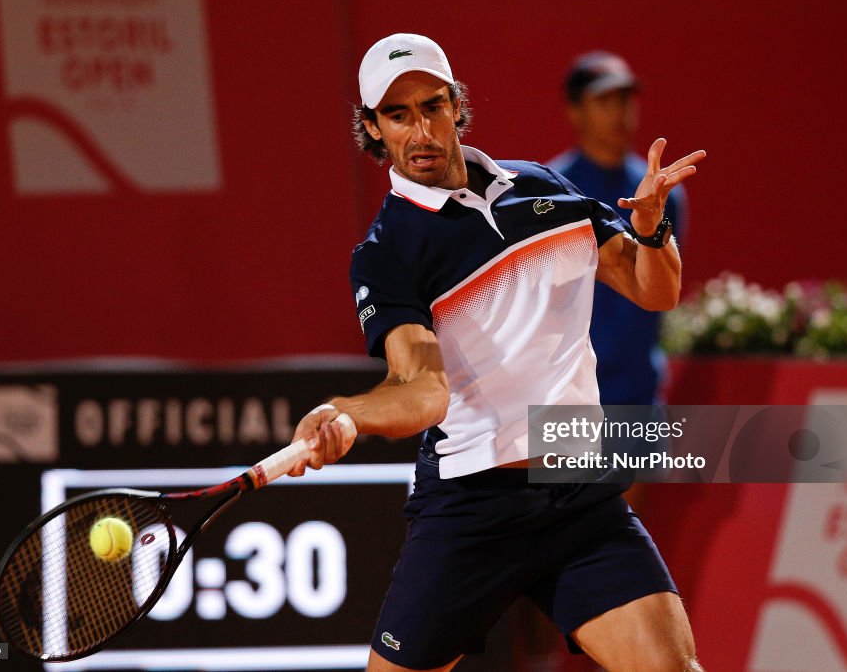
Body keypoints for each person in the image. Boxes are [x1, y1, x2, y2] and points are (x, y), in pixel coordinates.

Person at [287, 33, 706, 672]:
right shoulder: (387, 251)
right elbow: (424, 388)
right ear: (373, 128)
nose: (420, 130)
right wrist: (349, 412)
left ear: (456, 106)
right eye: (397, 116)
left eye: (431, 106)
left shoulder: (542, 188)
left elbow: (657, 290)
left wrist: (651, 230)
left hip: (578, 492)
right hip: (472, 508)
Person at [549, 51, 689, 406]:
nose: (619, 112)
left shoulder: (662, 195)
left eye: (625, 99)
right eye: (604, 100)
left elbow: (661, 292)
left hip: (640, 398)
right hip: (566, 400)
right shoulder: (550, 192)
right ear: (575, 111)